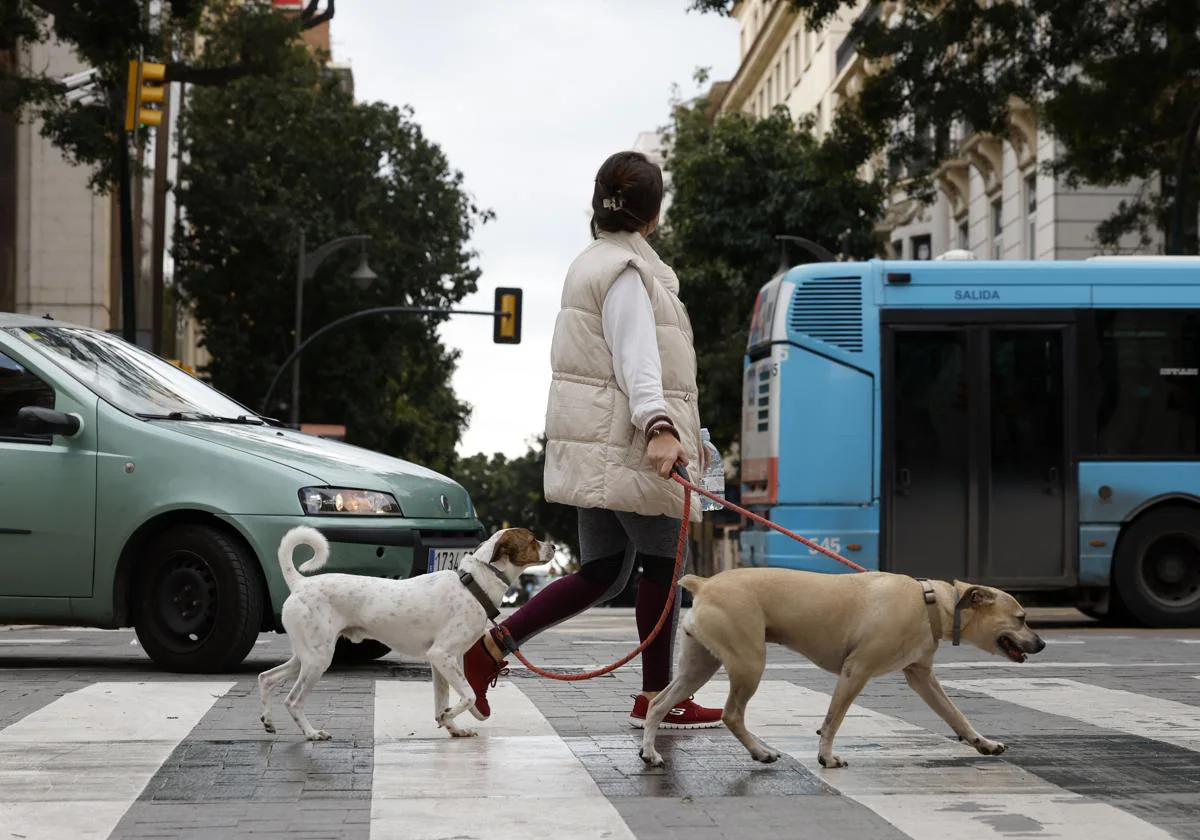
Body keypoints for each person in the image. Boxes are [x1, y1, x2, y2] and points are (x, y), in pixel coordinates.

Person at [462, 150, 723, 729]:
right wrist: (659, 426)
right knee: (661, 566)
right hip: (630, 444)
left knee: (602, 571)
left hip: (598, 444)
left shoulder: (590, 264)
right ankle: (659, 697)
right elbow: (638, 361)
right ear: (653, 215)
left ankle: (488, 651)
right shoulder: (629, 274)